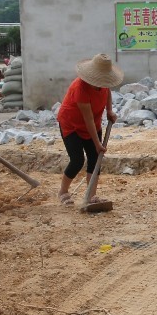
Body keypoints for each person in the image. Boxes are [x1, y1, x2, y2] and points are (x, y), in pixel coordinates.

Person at [57, 54, 123, 206]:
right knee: (77, 160)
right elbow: (87, 120)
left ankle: (90, 196)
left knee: (94, 159)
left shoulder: (104, 83)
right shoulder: (80, 88)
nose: (101, 84)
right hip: (71, 124)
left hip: (93, 122)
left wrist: (109, 111)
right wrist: (97, 144)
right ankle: (63, 191)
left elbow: (107, 93)